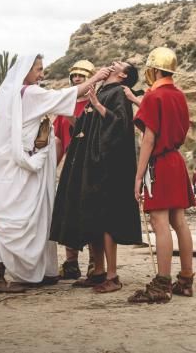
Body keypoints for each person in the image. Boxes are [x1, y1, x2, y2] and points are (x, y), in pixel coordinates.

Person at [0, 55, 111, 292]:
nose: (42, 74)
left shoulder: (18, 95)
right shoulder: (29, 93)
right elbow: (66, 95)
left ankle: (40, 271)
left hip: (26, 168)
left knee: (33, 218)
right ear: (26, 71)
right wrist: (98, 77)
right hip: (23, 170)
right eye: (39, 69)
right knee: (12, 220)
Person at [51, 61, 141, 293]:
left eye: (117, 64)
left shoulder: (119, 93)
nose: (112, 64)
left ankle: (112, 276)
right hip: (91, 165)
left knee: (107, 219)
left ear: (122, 75)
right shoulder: (102, 90)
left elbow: (120, 125)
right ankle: (98, 271)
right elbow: (88, 127)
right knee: (93, 217)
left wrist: (98, 106)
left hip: (107, 168)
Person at [128, 47, 196, 304]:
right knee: (179, 221)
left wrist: (138, 174)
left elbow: (149, 138)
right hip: (177, 161)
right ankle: (186, 279)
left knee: (160, 223)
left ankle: (162, 284)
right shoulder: (179, 96)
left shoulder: (153, 97)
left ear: (154, 70)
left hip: (159, 163)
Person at [52, 59, 98, 281]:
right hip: (70, 167)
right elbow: (58, 141)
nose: (77, 79)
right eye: (75, 76)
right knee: (68, 213)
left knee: (91, 213)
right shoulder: (63, 110)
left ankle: (94, 263)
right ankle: (71, 264)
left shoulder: (97, 105)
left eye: (82, 76)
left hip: (90, 166)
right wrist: (51, 169)